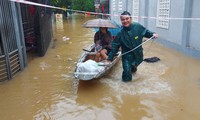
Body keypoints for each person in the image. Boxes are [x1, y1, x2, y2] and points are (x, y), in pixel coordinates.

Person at [106, 11, 159, 82]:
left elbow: (147, 32)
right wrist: (109, 58)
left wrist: (153, 34)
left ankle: (133, 69)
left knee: (134, 69)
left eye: (127, 18)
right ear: (121, 21)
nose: (125, 21)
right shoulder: (120, 33)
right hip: (127, 57)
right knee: (127, 73)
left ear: (130, 18)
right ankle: (126, 87)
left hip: (138, 54)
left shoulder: (138, 27)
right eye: (123, 19)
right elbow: (115, 47)